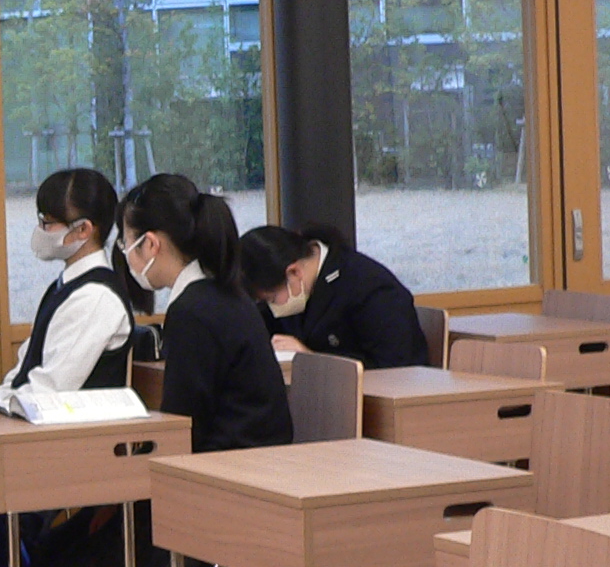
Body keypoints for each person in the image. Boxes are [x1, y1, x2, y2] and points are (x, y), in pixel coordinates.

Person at [119, 174, 291, 454]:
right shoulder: (222, 292)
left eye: (125, 242)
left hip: (231, 464)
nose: (125, 252)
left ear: (150, 244)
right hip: (256, 456)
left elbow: (183, 422)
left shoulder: (191, 311)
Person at [0, 168, 137, 412]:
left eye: (47, 223)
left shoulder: (96, 298)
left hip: (73, 429)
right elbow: (26, 366)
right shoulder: (64, 286)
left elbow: (51, 388)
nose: (40, 230)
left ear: (83, 230)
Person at [238, 221, 428, 369]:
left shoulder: (370, 288)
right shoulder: (293, 286)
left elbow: (395, 368)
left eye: (271, 299)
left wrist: (312, 359)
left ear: (294, 272)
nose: (272, 308)